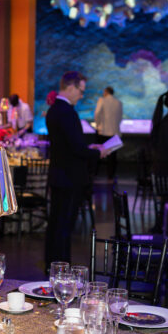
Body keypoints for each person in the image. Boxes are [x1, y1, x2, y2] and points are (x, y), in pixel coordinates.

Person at [45, 71, 109, 267]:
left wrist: (89, 148)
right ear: (71, 88)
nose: (81, 95)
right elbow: (75, 149)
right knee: (64, 227)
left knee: (56, 224)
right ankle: (62, 269)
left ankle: (52, 265)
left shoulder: (54, 109)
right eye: (81, 91)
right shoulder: (67, 112)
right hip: (70, 177)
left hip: (58, 175)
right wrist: (98, 152)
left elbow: (67, 146)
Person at [93, 86, 123, 180]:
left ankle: (94, 173)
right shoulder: (118, 102)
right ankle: (111, 175)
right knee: (112, 156)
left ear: (106, 92)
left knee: (98, 153)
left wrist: (98, 124)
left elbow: (97, 113)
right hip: (114, 131)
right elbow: (120, 117)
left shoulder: (102, 100)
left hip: (103, 131)